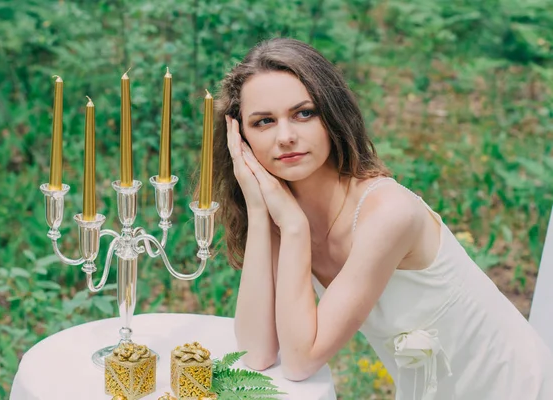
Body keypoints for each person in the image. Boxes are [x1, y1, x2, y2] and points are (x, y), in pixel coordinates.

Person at [209, 38, 553, 400]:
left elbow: (300, 360)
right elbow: (256, 352)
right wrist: (262, 211)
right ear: (241, 138)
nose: (286, 137)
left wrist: (294, 229)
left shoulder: (387, 213)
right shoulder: (285, 211)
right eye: (263, 122)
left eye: (304, 113)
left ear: (332, 114)